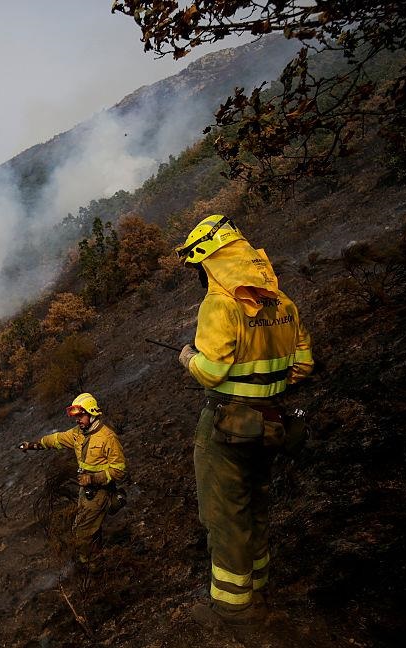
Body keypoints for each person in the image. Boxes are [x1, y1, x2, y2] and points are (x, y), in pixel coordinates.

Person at [174, 214, 314, 627]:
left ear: (209, 261)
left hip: (227, 430)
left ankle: (234, 612)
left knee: (224, 517)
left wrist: (187, 358)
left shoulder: (220, 305)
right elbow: (303, 365)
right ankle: (260, 589)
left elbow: (211, 371)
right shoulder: (283, 303)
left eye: (199, 267)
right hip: (271, 427)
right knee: (256, 507)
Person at [19, 392, 127, 565]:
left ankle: (90, 566)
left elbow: (119, 470)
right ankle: (97, 555)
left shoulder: (108, 438)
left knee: (81, 532)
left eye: (81, 416)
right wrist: (32, 445)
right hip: (86, 491)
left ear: (92, 414)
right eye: (76, 417)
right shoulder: (77, 434)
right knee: (92, 528)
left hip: (100, 492)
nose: (78, 420)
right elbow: (56, 439)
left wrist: (93, 479)